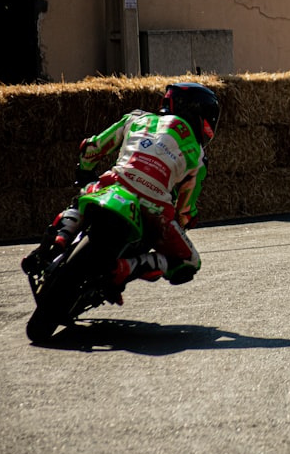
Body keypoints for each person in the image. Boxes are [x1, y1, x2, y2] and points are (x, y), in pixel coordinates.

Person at [22, 83, 221, 304]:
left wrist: (86, 170)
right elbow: (186, 207)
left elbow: (92, 148)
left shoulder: (135, 118)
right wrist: (184, 220)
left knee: (83, 198)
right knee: (190, 262)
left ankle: (58, 240)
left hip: (114, 186)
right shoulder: (199, 156)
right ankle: (125, 268)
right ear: (198, 113)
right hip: (154, 207)